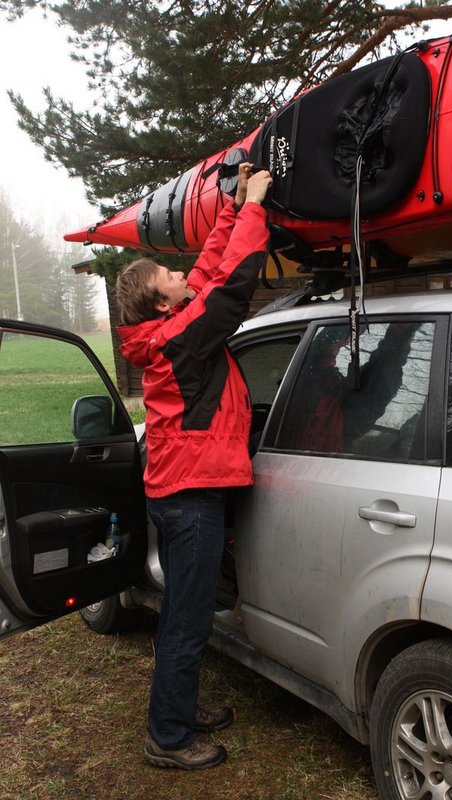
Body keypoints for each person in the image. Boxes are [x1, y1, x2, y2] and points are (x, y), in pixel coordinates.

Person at [115, 163, 272, 771]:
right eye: (170, 275)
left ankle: (177, 708)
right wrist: (256, 207)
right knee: (186, 619)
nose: (183, 276)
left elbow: (207, 272)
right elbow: (229, 289)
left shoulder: (165, 330)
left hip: (182, 489)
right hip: (191, 495)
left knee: (186, 613)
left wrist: (232, 204)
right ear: (161, 301)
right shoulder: (179, 338)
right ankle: (169, 739)